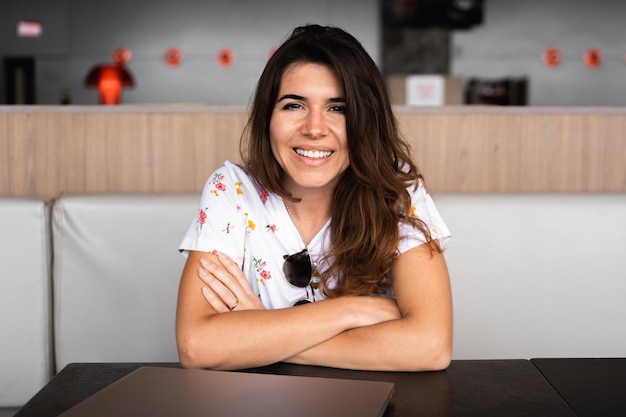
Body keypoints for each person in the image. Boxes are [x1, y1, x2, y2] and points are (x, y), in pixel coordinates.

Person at [176, 24, 452, 372]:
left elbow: (430, 346)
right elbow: (197, 347)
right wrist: (349, 311)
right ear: (268, 118)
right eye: (294, 105)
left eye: (338, 108)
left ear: (365, 121)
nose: (315, 128)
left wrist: (261, 332)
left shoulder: (397, 191)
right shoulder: (230, 190)